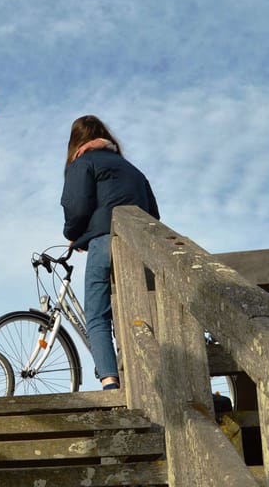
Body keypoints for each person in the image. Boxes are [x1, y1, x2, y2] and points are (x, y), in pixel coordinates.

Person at [60, 115, 159, 391]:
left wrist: (73, 235)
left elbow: (77, 207)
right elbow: (154, 214)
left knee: (97, 314)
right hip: (141, 248)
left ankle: (110, 383)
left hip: (105, 243)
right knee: (139, 310)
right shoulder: (132, 169)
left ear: (76, 141)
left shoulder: (83, 162)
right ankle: (148, 379)